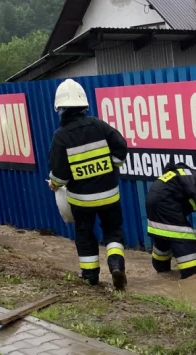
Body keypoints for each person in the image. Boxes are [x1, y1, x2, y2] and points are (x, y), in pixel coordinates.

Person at [47, 79, 129, 290]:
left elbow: (59, 174)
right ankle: (116, 266)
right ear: (84, 105)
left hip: (81, 201)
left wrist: (54, 184)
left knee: (84, 234)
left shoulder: (61, 136)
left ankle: (90, 276)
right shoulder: (99, 125)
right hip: (109, 195)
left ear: (61, 109)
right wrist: (111, 166)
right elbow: (121, 147)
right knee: (113, 230)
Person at [145, 162, 196, 279]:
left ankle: (161, 268)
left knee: (164, 236)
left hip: (152, 200)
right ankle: (191, 274)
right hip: (166, 203)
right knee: (185, 239)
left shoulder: (190, 176)